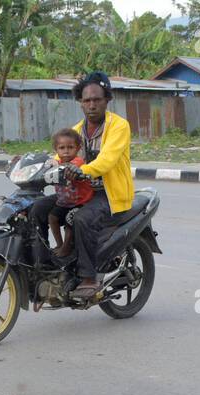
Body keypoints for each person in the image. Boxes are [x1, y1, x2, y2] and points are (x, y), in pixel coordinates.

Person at [63, 71, 135, 299]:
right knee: (39, 209)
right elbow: (60, 156)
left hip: (110, 195)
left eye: (97, 99)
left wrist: (81, 170)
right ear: (80, 103)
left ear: (107, 100)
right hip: (83, 193)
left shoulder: (119, 126)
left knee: (83, 219)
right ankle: (59, 257)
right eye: (86, 100)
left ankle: (88, 278)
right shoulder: (75, 131)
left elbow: (107, 160)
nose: (92, 104)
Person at [47, 129, 94, 258]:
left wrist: (54, 165)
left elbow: (69, 167)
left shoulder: (77, 162)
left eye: (70, 147)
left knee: (70, 221)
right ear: (56, 149)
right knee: (52, 218)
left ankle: (66, 248)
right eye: (62, 148)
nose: (66, 151)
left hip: (80, 202)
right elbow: (49, 164)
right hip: (64, 202)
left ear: (78, 148)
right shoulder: (57, 162)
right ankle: (59, 244)